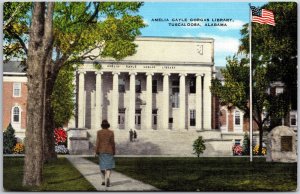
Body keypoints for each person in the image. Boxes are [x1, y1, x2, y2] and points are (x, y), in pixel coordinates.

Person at [95, 120, 115, 187]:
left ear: (102, 125)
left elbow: (97, 142)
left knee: (102, 166)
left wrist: (96, 151)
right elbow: (112, 143)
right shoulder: (111, 132)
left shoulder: (99, 132)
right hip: (109, 151)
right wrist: (114, 151)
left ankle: (103, 180)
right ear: (108, 125)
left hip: (101, 151)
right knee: (109, 166)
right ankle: (108, 178)